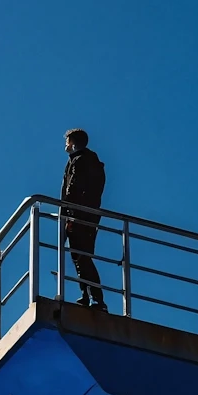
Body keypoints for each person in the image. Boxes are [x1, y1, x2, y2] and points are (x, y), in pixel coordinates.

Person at [60, 127, 107, 309]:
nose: (65, 145)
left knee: (81, 256)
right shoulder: (90, 161)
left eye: (67, 142)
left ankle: (94, 298)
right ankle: (88, 296)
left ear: (72, 143)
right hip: (89, 215)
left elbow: (73, 189)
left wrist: (69, 213)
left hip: (78, 215)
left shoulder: (79, 161)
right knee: (81, 256)